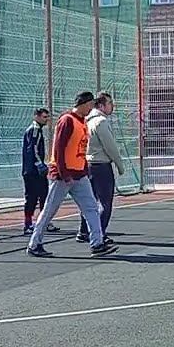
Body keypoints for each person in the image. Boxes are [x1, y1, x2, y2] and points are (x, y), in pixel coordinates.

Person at [27, 92, 118, 258]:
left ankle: (97, 243)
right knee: (49, 210)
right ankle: (34, 244)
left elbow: (80, 150)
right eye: (90, 105)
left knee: (91, 208)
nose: (91, 108)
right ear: (83, 104)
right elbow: (59, 149)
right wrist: (63, 173)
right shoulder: (67, 120)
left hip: (79, 175)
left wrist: (84, 170)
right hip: (63, 176)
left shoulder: (83, 122)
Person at [80, 91, 126, 243]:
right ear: (101, 105)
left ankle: (84, 231)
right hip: (101, 166)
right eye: (110, 103)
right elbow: (110, 146)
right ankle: (99, 234)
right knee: (105, 203)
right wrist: (119, 165)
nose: (112, 106)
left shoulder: (86, 121)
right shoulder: (101, 122)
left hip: (88, 164)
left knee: (89, 202)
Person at [21, 107, 59, 235]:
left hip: (36, 171)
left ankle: (44, 222)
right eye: (44, 117)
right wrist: (40, 165)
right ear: (36, 117)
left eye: (47, 117)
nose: (46, 120)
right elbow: (33, 149)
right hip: (32, 172)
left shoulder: (38, 130)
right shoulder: (34, 130)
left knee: (44, 196)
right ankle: (28, 224)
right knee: (31, 198)